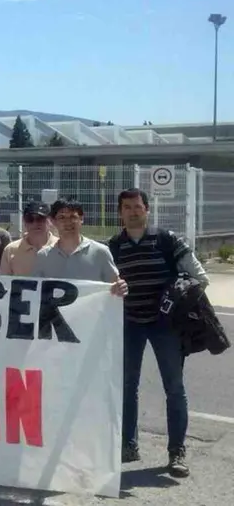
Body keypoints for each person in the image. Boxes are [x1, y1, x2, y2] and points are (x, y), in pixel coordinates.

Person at [108, 188, 209, 477]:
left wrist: (179, 295)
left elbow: (200, 278)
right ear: (120, 213)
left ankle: (176, 452)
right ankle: (129, 445)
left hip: (166, 327)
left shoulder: (167, 240)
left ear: (147, 210)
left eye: (137, 206)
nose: (133, 211)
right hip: (129, 324)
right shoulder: (113, 246)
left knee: (174, 389)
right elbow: (102, 284)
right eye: (126, 207)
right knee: (127, 387)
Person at [32, 199, 128, 293]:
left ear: (81, 219)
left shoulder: (100, 252)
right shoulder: (43, 256)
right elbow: (36, 292)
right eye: (62, 217)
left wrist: (120, 288)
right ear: (53, 221)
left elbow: (115, 285)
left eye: (73, 217)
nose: (68, 222)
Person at [0, 202, 57, 276]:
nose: (35, 223)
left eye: (40, 219)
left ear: (50, 221)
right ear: (24, 222)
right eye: (30, 219)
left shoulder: (61, 247)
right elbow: (4, 281)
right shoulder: (10, 250)